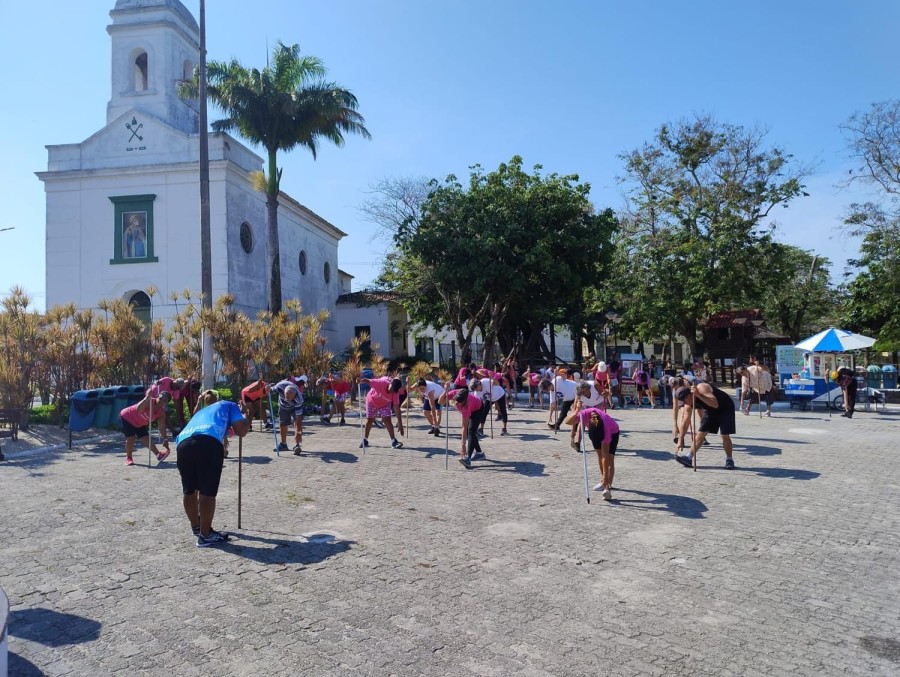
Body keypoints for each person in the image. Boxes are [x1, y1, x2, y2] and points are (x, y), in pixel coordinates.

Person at [175, 399, 250, 547]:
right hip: (208, 442)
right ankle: (206, 535)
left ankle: (196, 527)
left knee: (189, 489)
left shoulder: (203, 411)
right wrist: (245, 415)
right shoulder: (230, 405)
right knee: (207, 491)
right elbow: (242, 430)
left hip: (183, 442)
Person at [565, 399, 620, 501]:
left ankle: (607, 485)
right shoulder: (585, 414)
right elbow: (568, 421)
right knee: (599, 455)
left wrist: (606, 482)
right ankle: (603, 481)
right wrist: (577, 409)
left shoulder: (606, 426)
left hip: (613, 431)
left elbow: (605, 457)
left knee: (609, 458)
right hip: (595, 433)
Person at [674, 382, 736, 469]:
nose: (685, 404)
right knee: (701, 433)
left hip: (725, 408)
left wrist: (698, 395)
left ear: (689, 396)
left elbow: (715, 404)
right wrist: (680, 439)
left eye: (684, 401)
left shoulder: (702, 388)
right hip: (710, 410)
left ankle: (729, 459)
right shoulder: (688, 402)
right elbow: (685, 420)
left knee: (724, 435)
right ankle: (688, 457)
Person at [439, 385, 488, 468]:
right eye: (456, 400)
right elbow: (440, 402)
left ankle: (467, 458)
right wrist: (445, 391)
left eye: (459, 402)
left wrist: (463, 446)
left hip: (478, 410)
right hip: (472, 407)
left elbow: (464, 427)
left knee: (471, 431)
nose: (456, 403)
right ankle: (480, 453)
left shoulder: (466, 406)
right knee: (471, 432)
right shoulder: (454, 393)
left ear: (464, 401)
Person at [120, 391, 171, 466]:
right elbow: (138, 410)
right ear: (157, 397)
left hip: (140, 423)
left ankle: (158, 455)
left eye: (164, 400)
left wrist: (165, 439)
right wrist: (146, 399)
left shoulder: (161, 412)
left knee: (145, 438)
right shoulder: (149, 401)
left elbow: (161, 426)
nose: (161, 401)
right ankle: (129, 458)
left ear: (166, 403)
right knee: (131, 438)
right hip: (128, 417)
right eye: (160, 398)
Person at [358, 376, 405, 448]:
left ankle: (393, 441)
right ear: (390, 383)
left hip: (384, 404)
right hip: (371, 401)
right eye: (391, 389)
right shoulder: (380, 383)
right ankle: (365, 440)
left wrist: (400, 424)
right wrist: (360, 381)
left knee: (387, 419)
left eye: (393, 391)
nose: (391, 391)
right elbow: (367, 380)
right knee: (370, 420)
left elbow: (397, 408)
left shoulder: (395, 393)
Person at [271, 379, 303, 455]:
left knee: (297, 423)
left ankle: (297, 444)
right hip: (282, 407)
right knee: (283, 423)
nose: (286, 399)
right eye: (285, 397)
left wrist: (298, 432)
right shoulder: (280, 387)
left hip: (294, 408)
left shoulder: (299, 400)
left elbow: (298, 418)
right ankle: (283, 444)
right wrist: (267, 389)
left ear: (294, 395)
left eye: (289, 398)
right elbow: (270, 391)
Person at [570, 379, 605, 450]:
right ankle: (578, 443)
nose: (586, 394)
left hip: (598, 403)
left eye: (586, 391)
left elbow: (604, 395)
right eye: (583, 393)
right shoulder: (578, 393)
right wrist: (572, 431)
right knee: (581, 421)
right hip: (586, 404)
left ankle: (599, 441)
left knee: (596, 422)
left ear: (588, 388)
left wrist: (606, 394)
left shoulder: (595, 385)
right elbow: (575, 408)